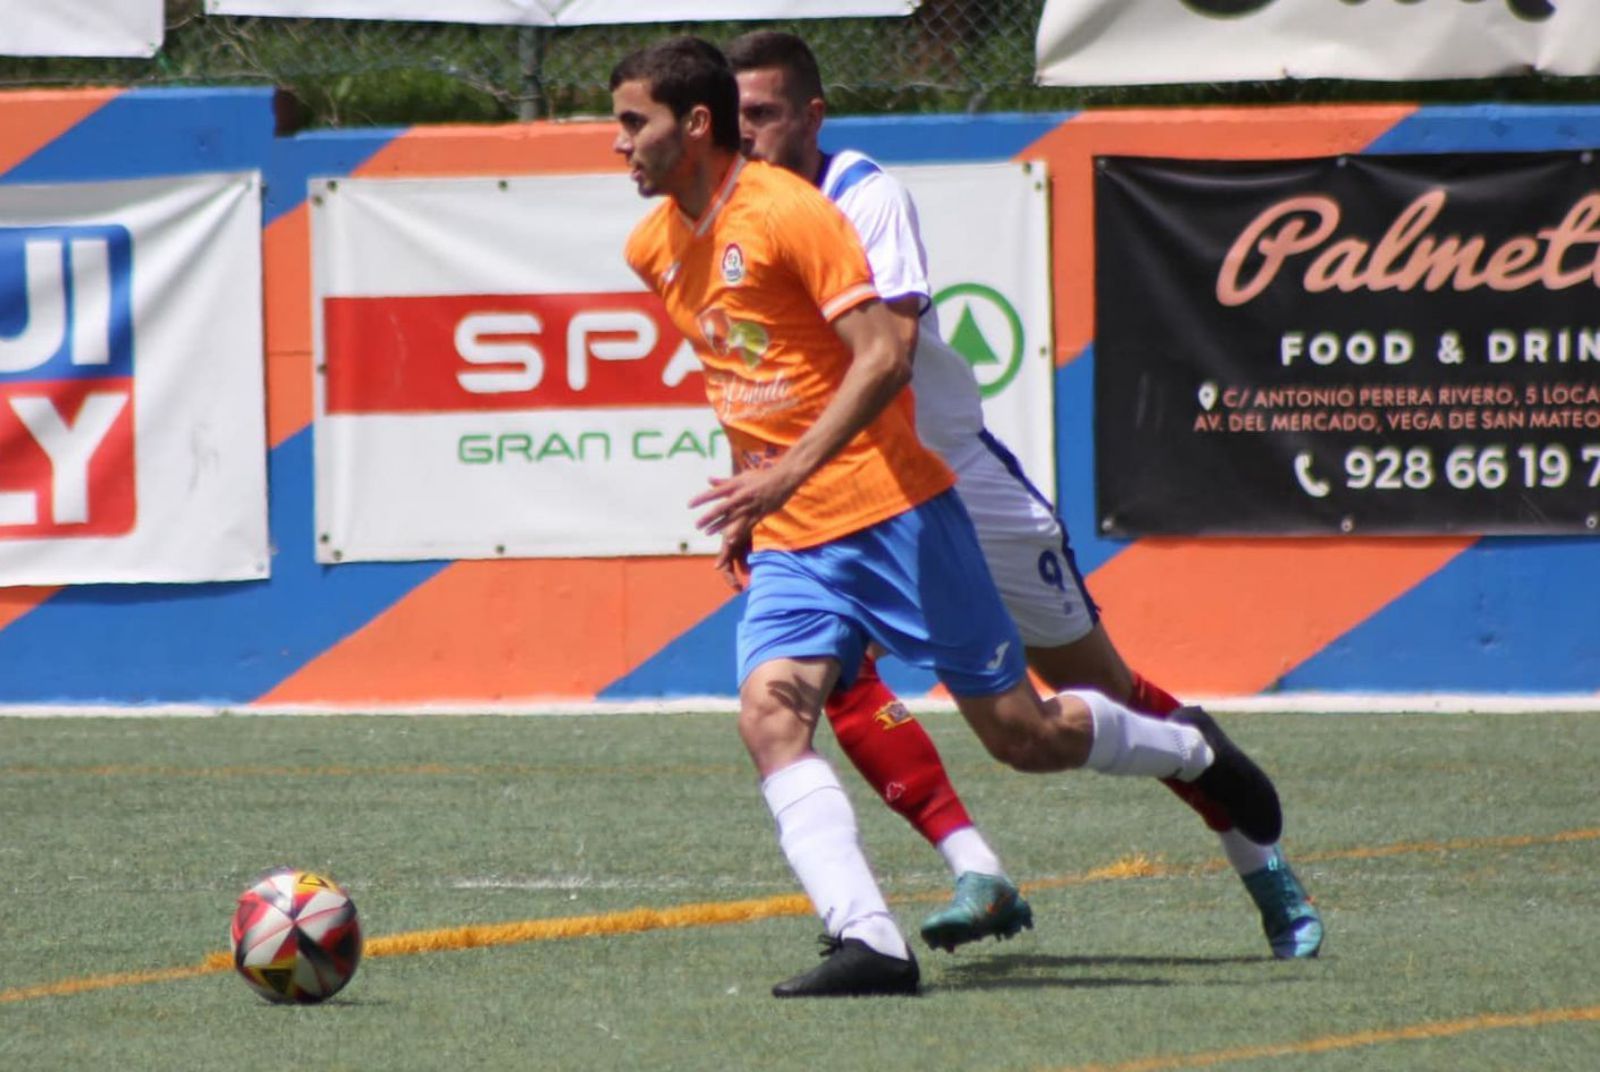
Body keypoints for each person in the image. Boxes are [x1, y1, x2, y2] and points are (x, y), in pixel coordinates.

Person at [610, 35, 1282, 999]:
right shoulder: (653, 245)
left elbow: (884, 358)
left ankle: (1190, 751)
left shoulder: (798, 213)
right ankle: (869, 941)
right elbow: (738, 381)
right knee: (772, 714)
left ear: (695, 125)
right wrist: (753, 501)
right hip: (797, 534)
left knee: (1023, 735)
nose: (616, 143)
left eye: (633, 122)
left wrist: (786, 472)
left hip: (894, 511)